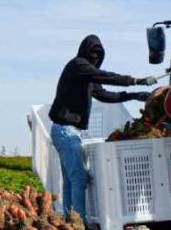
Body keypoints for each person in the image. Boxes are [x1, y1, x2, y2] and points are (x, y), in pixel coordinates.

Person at [49, 34, 156, 216]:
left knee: (71, 181)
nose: (95, 57)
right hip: (65, 130)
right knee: (79, 179)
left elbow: (105, 95)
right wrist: (135, 80)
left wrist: (133, 95)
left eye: (99, 54)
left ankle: (69, 221)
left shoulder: (87, 77)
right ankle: (79, 223)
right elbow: (106, 77)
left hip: (66, 130)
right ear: (85, 51)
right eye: (93, 53)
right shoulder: (78, 66)